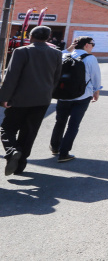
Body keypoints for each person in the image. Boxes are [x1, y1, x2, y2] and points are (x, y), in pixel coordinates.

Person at [0, 26, 62, 176]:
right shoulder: (57, 53)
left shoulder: (22, 51)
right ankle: (20, 166)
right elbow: (56, 77)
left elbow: (11, 77)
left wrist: (4, 98)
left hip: (20, 99)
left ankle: (12, 151)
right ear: (48, 38)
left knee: (7, 128)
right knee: (29, 132)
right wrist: (47, 93)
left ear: (31, 36)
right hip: (42, 99)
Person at [49, 36, 102, 162]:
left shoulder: (64, 56)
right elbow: (96, 77)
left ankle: (55, 147)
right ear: (86, 45)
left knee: (60, 122)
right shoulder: (90, 58)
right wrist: (96, 91)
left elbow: (59, 54)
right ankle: (64, 153)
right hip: (82, 96)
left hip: (62, 95)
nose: (93, 46)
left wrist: (70, 48)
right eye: (92, 44)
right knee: (73, 125)